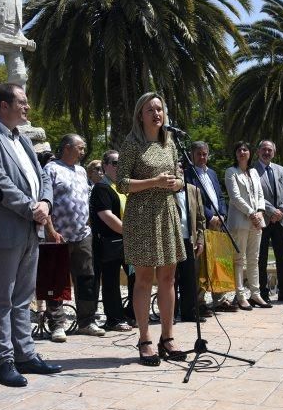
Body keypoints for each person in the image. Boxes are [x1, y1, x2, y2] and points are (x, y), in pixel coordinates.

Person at [0, 83, 60, 387]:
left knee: (23, 298)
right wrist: (30, 208)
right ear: (3, 106)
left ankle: (26, 354)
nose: (27, 107)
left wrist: (46, 203)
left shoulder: (22, 140)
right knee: (2, 298)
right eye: (22, 102)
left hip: (30, 229)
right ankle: (4, 360)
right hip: (4, 229)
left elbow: (43, 175)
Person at [117, 92, 187, 366]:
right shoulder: (132, 143)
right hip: (142, 216)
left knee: (169, 277)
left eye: (160, 109)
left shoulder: (169, 143)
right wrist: (154, 182)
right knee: (144, 278)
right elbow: (122, 183)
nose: (157, 114)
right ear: (140, 115)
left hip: (167, 213)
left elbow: (179, 177)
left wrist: (176, 183)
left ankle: (167, 337)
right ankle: (145, 338)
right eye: (150, 110)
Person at [44, 134, 105, 340]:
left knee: (87, 278)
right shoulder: (51, 169)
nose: (83, 151)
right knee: (55, 281)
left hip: (82, 234)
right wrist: (50, 230)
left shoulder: (81, 171)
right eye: (80, 147)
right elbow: (45, 200)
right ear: (67, 148)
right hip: (58, 234)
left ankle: (86, 321)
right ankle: (57, 325)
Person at [185, 141, 234, 312]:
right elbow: (193, 200)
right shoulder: (187, 174)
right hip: (201, 224)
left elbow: (220, 197)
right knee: (201, 263)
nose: (202, 157)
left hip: (218, 223)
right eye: (198, 154)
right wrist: (210, 216)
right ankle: (199, 301)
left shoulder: (212, 173)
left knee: (218, 261)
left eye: (205, 154)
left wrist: (222, 214)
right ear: (192, 155)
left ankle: (219, 299)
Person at [90, 150, 133, 331]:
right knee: (111, 281)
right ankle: (114, 319)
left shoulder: (123, 187)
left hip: (128, 241)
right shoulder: (101, 188)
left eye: (121, 163)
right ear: (105, 166)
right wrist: (129, 232)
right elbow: (107, 216)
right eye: (115, 163)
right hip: (110, 242)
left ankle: (131, 314)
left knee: (136, 278)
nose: (119, 166)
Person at [224, 141, 271, 309]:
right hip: (240, 221)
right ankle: (241, 295)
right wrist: (251, 213)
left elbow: (260, 194)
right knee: (238, 259)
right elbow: (235, 197)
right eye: (239, 150)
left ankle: (256, 294)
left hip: (257, 221)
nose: (242, 152)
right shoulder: (231, 172)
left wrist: (259, 211)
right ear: (235, 154)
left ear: (250, 153)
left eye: (245, 149)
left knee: (254, 259)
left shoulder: (254, 172)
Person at [254, 140, 283, 303]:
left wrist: (281, 211)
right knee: (262, 258)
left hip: (281, 220)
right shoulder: (252, 171)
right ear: (258, 151)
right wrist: (273, 211)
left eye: (270, 150)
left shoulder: (281, 170)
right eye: (264, 149)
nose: (267, 152)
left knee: (282, 257)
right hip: (263, 220)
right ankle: (263, 293)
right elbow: (255, 195)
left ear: (274, 152)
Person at [174, 175, 207, 321]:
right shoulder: (165, 190)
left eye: (181, 168)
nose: (179, 171)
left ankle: (189, 312)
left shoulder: (193, 190)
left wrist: (200, 240)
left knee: (190, 278)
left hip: (190, 240)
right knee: (171, 279)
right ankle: (171, 314)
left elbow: (201, 218)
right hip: (172, 240)